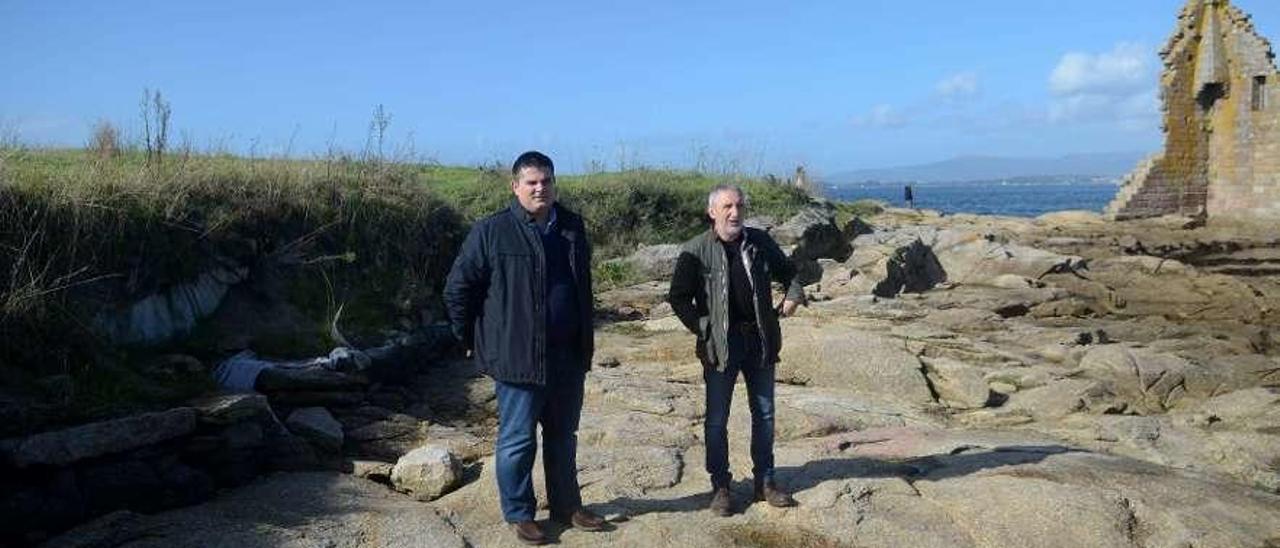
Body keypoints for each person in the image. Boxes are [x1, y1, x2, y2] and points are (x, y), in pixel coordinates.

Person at [443, 151, 604, 545]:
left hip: (567, 355)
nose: (539, 188)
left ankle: (567, 506)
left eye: (546, 181)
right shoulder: (492, 231)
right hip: (517, 358)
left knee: (564, 436)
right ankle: (520, 513)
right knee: (517, 439)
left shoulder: (571, 226)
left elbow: (581, 287)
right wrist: (470, 340)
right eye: (531, 182)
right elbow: (458, 289)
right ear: (515, 187)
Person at [667, 184, 804, 516]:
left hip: (760, 341)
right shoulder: (695, 250)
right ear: (712, 211)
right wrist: (704, 329)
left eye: (740, 206)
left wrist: (793, 294)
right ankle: (721, 487)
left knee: (766, 415)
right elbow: (679, 297)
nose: (735, 212)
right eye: (727, 206)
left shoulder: (759, 241)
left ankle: (765, 482)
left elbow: (790, 274)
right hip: (720, 348)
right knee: (716, 420)